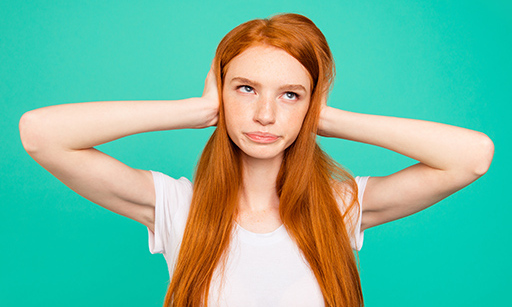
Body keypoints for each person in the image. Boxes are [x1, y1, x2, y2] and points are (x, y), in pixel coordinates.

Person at [19, 13, 493, 307]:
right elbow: (40, 135)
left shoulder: (342, 206)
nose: (265, 115)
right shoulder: (174, 205)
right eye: (246, 88)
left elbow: (472, 157)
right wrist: (195, 111)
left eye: (290, 94)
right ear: (221, 91)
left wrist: (325, 117)